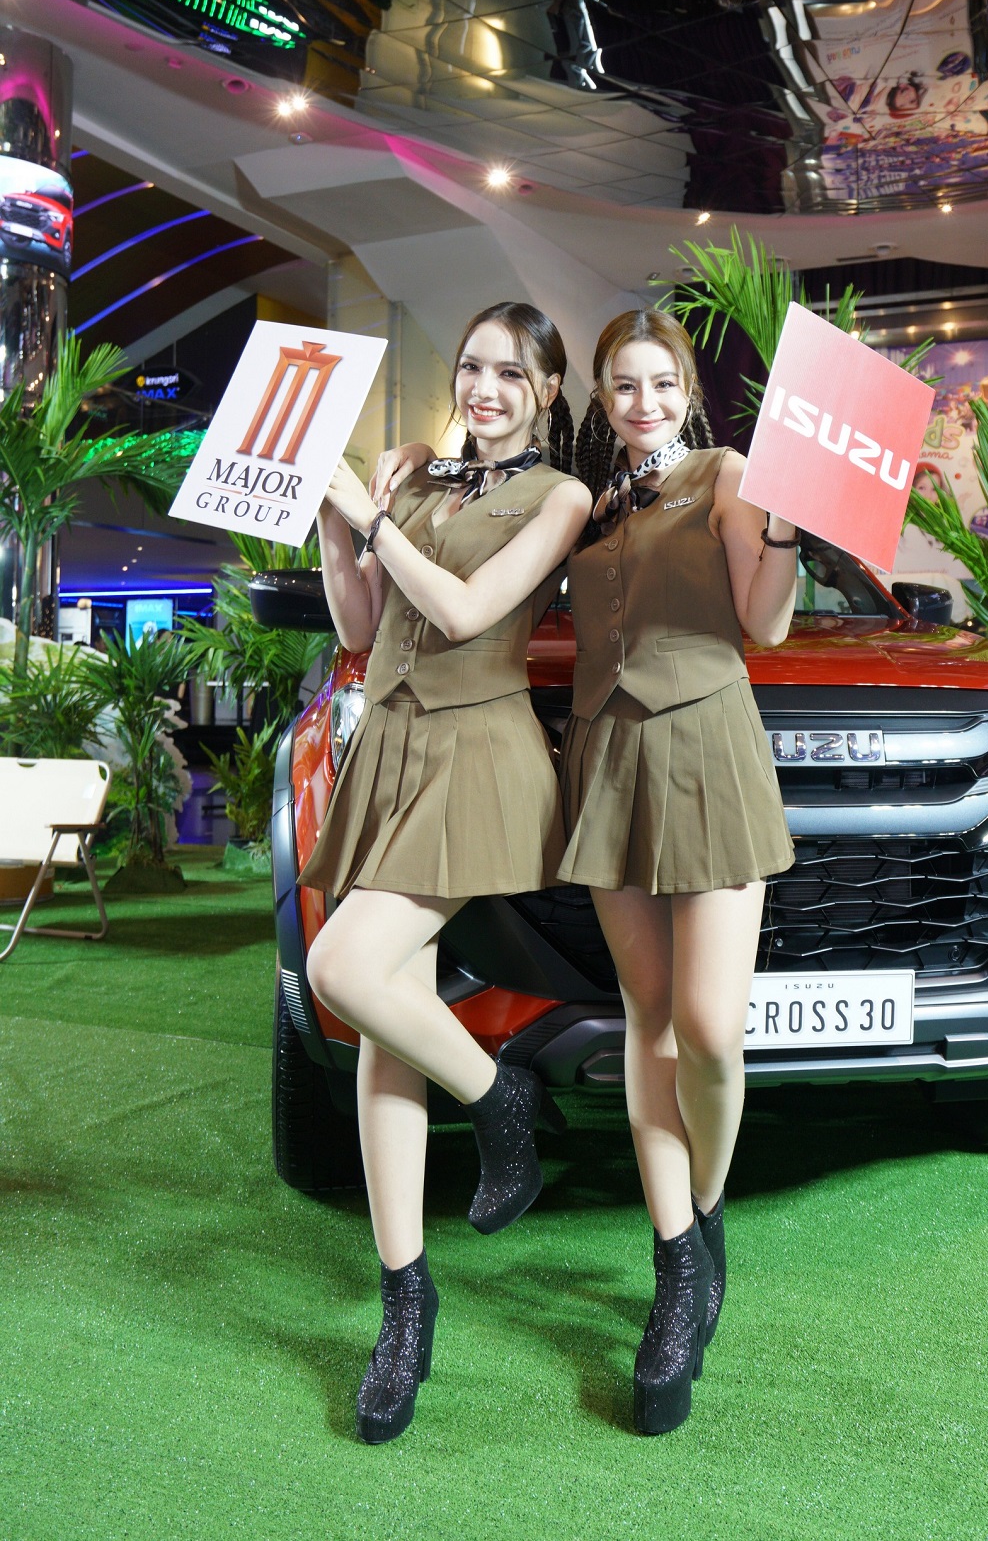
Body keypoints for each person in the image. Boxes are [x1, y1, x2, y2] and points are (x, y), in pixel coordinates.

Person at [300, 302, 591, 1445]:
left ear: (548, 390)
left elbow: (467, 612)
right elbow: (361, 627)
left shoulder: (559, 496)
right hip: (391, 747)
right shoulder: (417, 477)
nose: (485, 387)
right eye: (472, 366)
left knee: (343, 968)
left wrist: (373, 512)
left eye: (512, 372)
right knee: (387, 1024)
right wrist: (336, 526)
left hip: (476, 752)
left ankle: (500, 1094)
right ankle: (405, 1302)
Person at [562, 308, 798, 1436]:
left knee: (708, 1028)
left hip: (708, 749)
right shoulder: (593, 504)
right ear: (601, 397)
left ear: (688, 391)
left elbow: (767, 622)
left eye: (660, 382)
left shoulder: (728, 475)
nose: (642, 401)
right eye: (623, 384)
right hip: (607, 756)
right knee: (646, 1018)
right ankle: (673, 1267)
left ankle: (703, 1217)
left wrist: (787, 529)